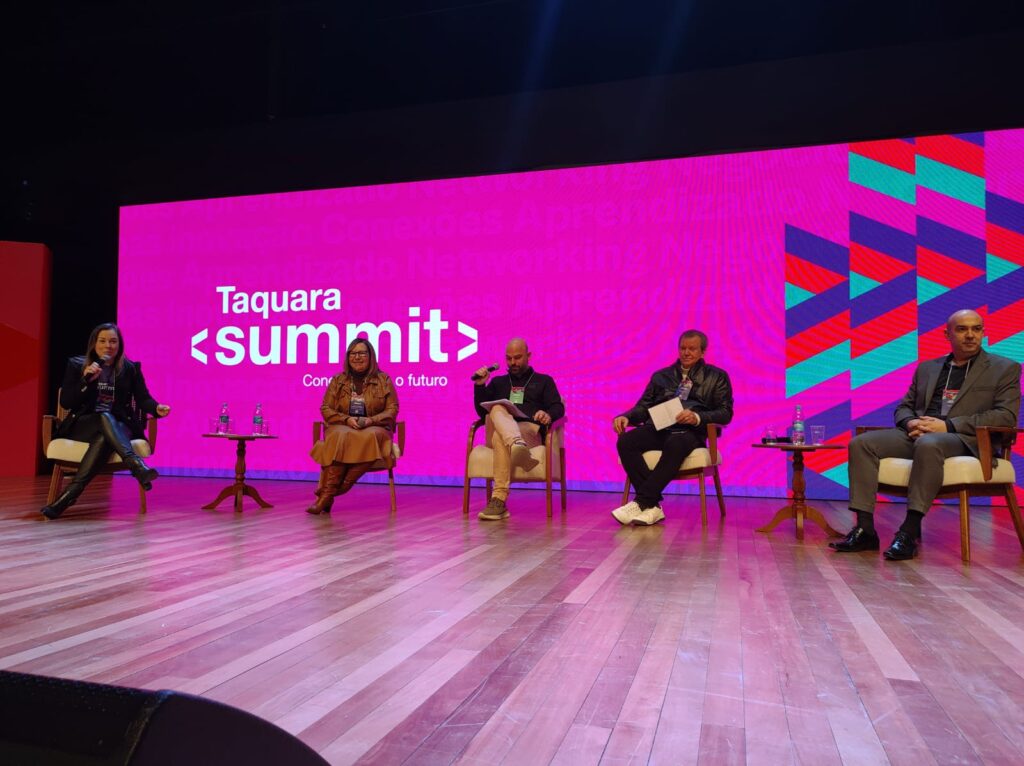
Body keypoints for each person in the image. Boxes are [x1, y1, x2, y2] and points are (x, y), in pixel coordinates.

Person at [832, 309, 1021, 560]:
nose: (970, 335)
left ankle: (908, 532)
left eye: (976, 329)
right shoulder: (928, 368)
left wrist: (948, 426)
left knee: (929, 444)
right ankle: (865, 529)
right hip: (919, 433)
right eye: (962, 329)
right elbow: (904, 407)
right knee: (861, 444)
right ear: (947, 334)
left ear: (983, 332)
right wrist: (910, 422)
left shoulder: (1004, 368)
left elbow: (1005, 416)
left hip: (966, 439)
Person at [41, 323, 171, 520]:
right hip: (83, 424)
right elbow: (66, 402)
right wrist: (85, 381)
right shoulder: (77, 365)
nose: (108, 346)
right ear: (94, 344)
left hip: (119, 427)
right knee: (103, 417)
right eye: (102, 341)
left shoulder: (130, 369)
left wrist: (156, 408)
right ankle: (136, 465)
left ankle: (67, 497)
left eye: (113, 341)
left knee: (104, 435)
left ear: (119, 345)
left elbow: (143, 398)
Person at [612, 330, 734, 526]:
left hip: (691, 432)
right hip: (660, 428)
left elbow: (725, 412)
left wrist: (696, 417)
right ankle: (652, 506)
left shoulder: (717, 376)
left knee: (675, 443)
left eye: (692, 349)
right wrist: (626, 416)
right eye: (683, 348)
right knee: (626, 441)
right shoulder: (661, 376)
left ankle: (642, 501)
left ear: (703, 352)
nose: (686, 353)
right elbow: (643, 407)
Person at [472, 338, 564, 520]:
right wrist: (480, 386)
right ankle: (516, 444)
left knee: (499, 437)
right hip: (507, 433)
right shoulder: (498, 382)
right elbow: (482, 413)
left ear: (528, 356)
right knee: (497, 408)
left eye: (517, 357)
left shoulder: (544, 380)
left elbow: (558, 407)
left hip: (529, 431)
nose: (512, 362)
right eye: (509, 358)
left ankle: (498, 500)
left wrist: (547, 414)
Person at [307, 338, 399, 515]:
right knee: (340, 435)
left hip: (375, 427)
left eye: (362, 353)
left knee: (370, 435)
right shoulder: (338, 380)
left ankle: (328, 493)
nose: (357, 357)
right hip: (343, 425)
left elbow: (392, 409)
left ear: (370, 356)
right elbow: (326, 408)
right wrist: (346, 419)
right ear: (348, 357)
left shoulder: (384, 379)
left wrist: (371, 420)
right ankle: (329, 493)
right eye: (353, 353)